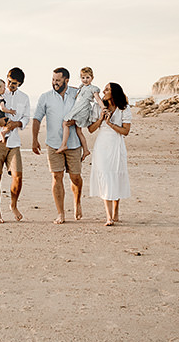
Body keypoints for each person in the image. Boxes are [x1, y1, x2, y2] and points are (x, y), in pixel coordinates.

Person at [32, 67, 84, 224]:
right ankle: (60, 213)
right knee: (57, 176)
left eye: (58, 80)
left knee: (75, 177)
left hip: (74, 143)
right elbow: (36, 118)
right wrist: (34, 139)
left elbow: (85, 113)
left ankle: (77, 202)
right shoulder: (45, 97)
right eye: (53, 79)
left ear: (66, 80)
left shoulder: (77, 94)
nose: (54, 82)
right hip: (53, 144)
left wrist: (75, 121)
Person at [0, 68, 30, 224]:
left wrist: (18, 123)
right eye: (9, 81)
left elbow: (27, 117)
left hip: (13, 141)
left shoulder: (24, 98)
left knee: (18, 176)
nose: (10, 85)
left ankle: (13, 205)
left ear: (20, 83)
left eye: (14, 83)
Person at [88, 82, 132, 226]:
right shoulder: (98, 107)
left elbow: (125, 131)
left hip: (116, 145)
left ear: (114, 92)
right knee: (105, 177)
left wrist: (110, 123)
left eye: (107, 89)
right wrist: (101, 118)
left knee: (115, 175)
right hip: (102, 146)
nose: (103, 91)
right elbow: (91, 129)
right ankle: (108, 216)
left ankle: (116, 211)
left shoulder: (123, 108)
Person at [55, 66, 101, 158]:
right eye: (83, 77)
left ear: (92, 77)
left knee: (65, 123)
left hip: (82, 110)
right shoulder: (82, 87)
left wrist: (103, 107)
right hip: (80, 109)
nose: (85, 80)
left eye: (87, 77)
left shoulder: (93, 88)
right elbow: (78, 91)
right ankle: (86, 150)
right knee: (78, 131)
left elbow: (98, 99)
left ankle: (64, 144)